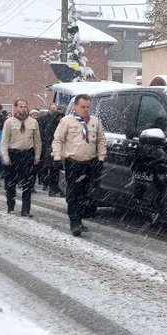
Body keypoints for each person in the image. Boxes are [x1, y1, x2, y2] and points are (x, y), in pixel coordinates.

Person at [53, 94, 106, 236]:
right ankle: (74, 223)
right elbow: (58, 140)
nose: (85, 110)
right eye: (82, 107)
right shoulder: (67, 121)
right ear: (76, 106)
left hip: (90, 164)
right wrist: (57, 157)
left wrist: (101, 158)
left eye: (88, 107)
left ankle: (80, 220)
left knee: (85, 194)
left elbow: (101, 140)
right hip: (73, 164)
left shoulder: (95, 121)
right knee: (73, 194)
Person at [0, 99, 41, 217]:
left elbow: (37, 141)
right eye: (21, 106)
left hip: (28, 154)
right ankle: (11, 206)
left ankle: (26, 210)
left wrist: (37, 155)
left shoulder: (33, 122)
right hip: (13, 154)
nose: (23, 108)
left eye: (25, 106)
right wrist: (5, 157)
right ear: (16, 108)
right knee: (11, 183)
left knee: (28, 184)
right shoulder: (9, 122)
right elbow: (4, 141)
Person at [39, 103, 65, 196]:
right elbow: (47, 136)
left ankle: (55, 188)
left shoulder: (57, 124)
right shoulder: (52, 124)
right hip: (52, 149)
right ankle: (52, 188)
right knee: (53, 170)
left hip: (59, 149)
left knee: (56, 170)